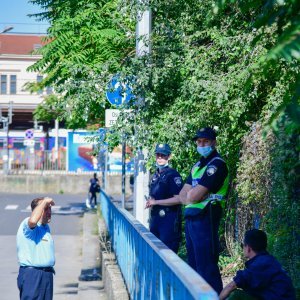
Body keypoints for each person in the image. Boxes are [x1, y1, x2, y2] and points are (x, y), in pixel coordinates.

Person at [147, 127, 229, 293]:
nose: (201, 144)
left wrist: (192, 195)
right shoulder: (198, 165)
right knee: (194, 267)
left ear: (214, 142)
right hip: (192, 218)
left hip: (207, 217)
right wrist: (192, 195)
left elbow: (194, 195)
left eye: (205, 141)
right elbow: (185, 195)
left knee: (207, 266)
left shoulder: (217, 165)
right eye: (199, 141)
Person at [219, 229, 296, 300]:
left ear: (248, 248)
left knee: (235, 295)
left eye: (243, 245)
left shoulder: (260, 264)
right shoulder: (268, 260)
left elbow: (231, 286)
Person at [145, 143, 183, 253]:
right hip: (156, 219)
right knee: (154, 253)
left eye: (163, 155)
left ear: (169, 157)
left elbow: (179, 199)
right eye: (158, 155)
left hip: (168, 221)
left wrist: (156, 202)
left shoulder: (173, 175)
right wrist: (151, 201)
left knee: (167, 255)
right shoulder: (156, 175)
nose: (160, 158)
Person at [16, 197, 56, 300]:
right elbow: (33, 221)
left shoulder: (45, 227)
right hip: (33, 275)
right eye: (46, 208)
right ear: (37, 210)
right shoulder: (28, 224)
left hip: (46, 275)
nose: (49, 212)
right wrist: (44, 202)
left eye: (49, 209)